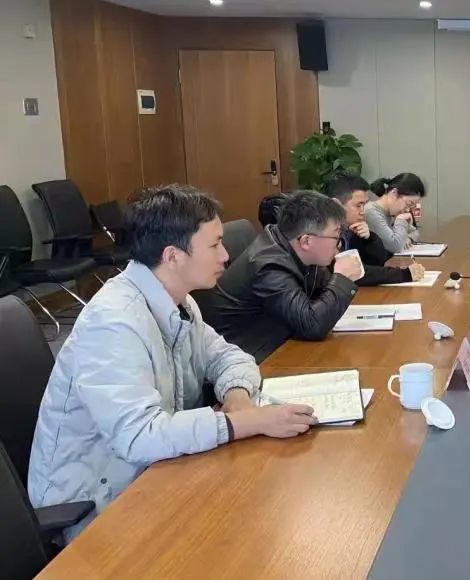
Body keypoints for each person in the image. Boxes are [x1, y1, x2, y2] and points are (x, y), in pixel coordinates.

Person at [28, 185, 318, 542]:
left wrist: (238, 398)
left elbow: (229, 357)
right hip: (97, 506)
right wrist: (245, 422)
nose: (226, 256)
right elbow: (139, 437)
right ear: (173, 256)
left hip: (156, 471)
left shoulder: (179, 301)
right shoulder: (114, 322)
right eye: (214, 245)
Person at [206, 191, 365, 362]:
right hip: (253, 358)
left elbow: (324, 288)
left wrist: (341, 277)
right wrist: (342, 279)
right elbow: (313, 325)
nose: (339, 243)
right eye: (336, 235)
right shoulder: (268, 266)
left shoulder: (294, 246)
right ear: (306, 241)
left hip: (281, 342)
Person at [325, 175, 425, 286]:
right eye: (358, 205)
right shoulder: (325, 235)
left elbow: (379, 262)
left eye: (364, 204)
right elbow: (356, 273)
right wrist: (404, 274)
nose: (363, 211)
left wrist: (370, 238)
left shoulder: (351, 228)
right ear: (336, 205)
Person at [364, 172, 425, 254]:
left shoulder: (393, 212)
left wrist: (408, 239)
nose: (408, 210)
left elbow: (416, 233)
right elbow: (395, 247)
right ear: (394, 193)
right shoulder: (371, 212)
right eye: (409, 204)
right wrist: (400, 220)